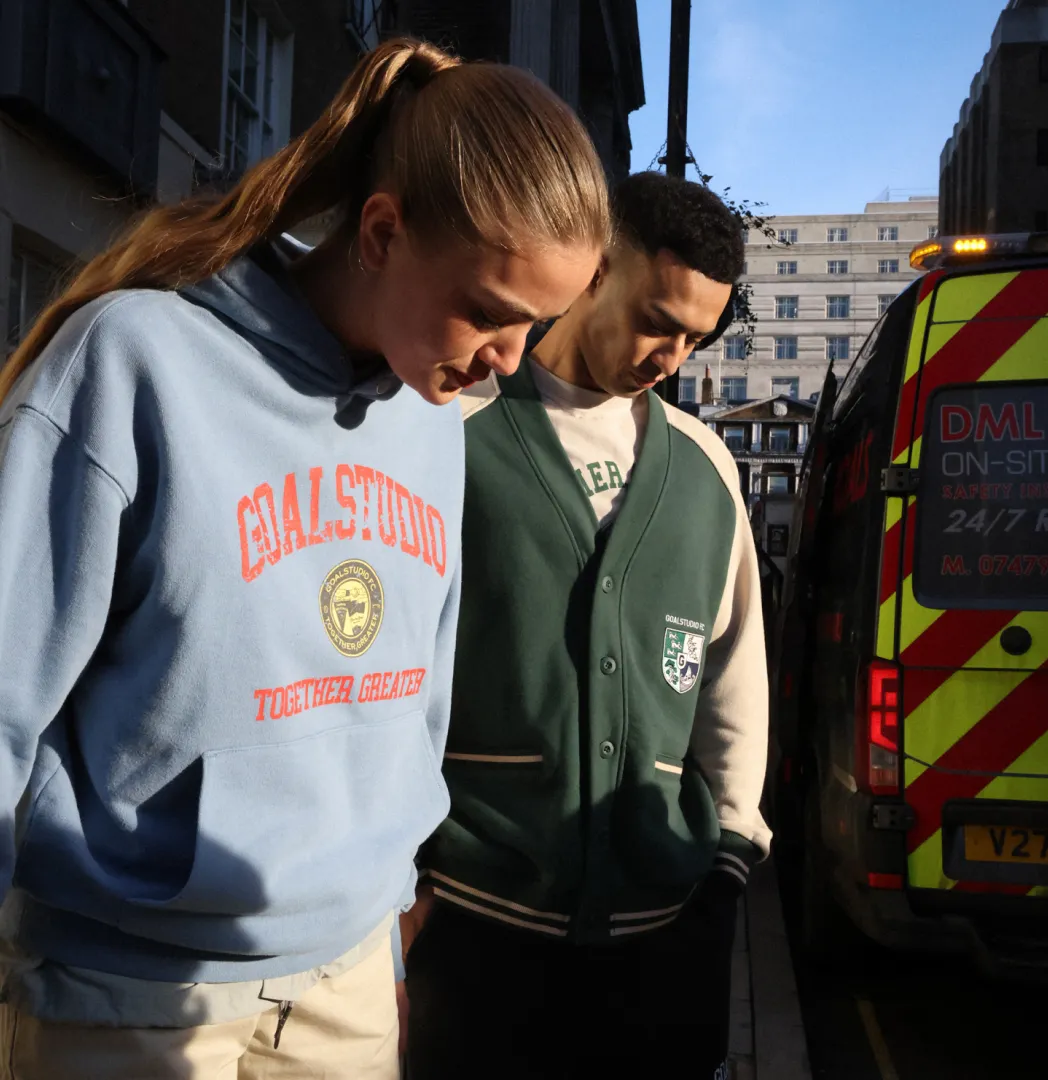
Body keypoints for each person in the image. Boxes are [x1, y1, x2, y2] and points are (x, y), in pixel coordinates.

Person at [0, 37, 607, 1080]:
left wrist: (390, 915)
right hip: (126, 991)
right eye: (494, 314)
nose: (510, 362)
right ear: (381, 231)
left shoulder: (439, 416)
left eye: (537, 325)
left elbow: (422, 685)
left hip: (347, 987)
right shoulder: (135, 360)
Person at [404, 171, 770, 1080]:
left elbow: (735, 680)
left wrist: (726, 867)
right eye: (658, 319)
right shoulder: (452, 428)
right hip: (475, 934)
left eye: (696, 336)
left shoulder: (706, 471)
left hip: (660, 945)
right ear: (596, 268)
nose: (672, 357)